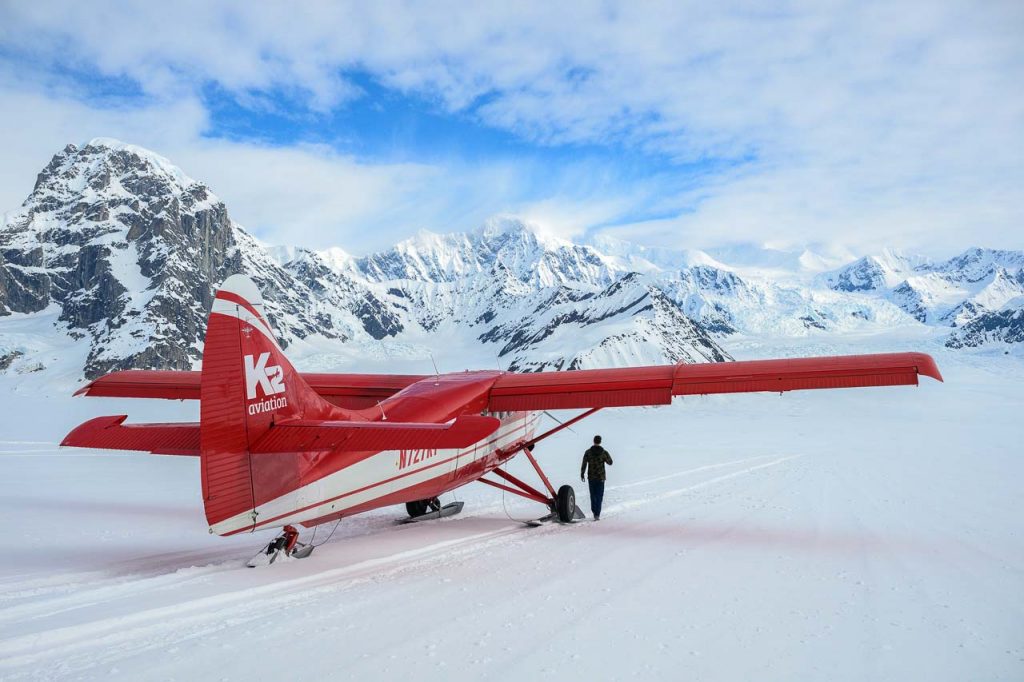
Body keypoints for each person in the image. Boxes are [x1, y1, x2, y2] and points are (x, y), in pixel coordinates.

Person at [580, 435, 613, 520]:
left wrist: (582, 473)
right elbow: (610, 462)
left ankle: (594, 511)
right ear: (600, 441)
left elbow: (584, 463)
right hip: (601, 478)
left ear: (593, 441)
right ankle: (597, 514)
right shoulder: (603, 452)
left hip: (591, 477)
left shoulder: (588, 452)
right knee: (599, 496)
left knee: (593, 495)